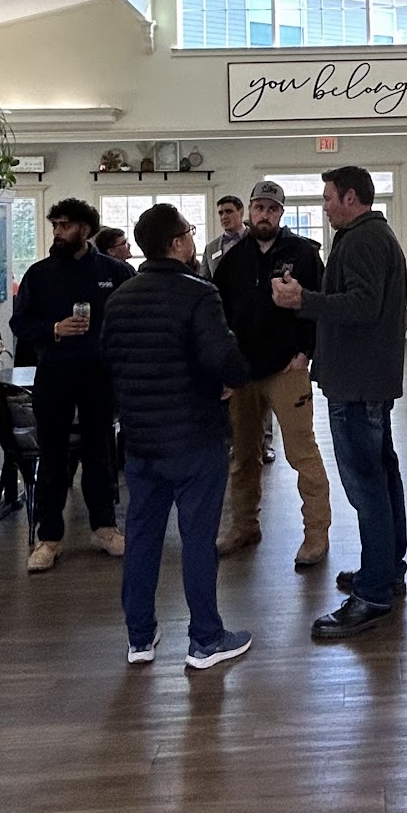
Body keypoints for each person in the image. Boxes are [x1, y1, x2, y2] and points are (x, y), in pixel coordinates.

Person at [102, 203, 253, 669]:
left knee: (143, 537)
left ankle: (139, 638)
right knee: (197, 538)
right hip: (194, 438)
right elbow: (223, 358)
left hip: (141, 440)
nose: (192, 238)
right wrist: (231, 378)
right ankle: (205, 638)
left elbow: (109, 362)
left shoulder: (120, 298)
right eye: (188, 231)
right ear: (177, 243)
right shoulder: (198, 294)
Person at [271, 165, 407, 640]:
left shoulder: (364, 239)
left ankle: (373, 595)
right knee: (381, 478)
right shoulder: (367, 236)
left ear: (351, 198)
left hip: (358, 383)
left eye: (328, 198)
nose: (324, 206)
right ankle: (385, 570)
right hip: (364, 379)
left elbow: (363, 306)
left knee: (367, 486)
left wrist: (302, 301)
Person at [211, 180, 332, 566]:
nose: (264, 214)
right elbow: (219, 314)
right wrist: (225, 364)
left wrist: (306, 351)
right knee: (244, 456)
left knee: (302, 453)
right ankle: (244, 525)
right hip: (243, 372)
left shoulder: (304, 254)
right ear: (249, 211)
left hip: (287, 369)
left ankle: (316, 533)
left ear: (281, 213)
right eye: (259, 207)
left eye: (272, 208)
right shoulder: (231, 260)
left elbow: (320, 305)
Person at [10, 197, 133, 573]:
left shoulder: (116, 272)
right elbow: (20, 323)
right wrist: (53, 329)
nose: (58, 232)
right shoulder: (39, 274)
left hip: (100, 374)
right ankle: (48, 538)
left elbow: (133, 319)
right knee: (52, 455)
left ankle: (105, 528)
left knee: (100, 452)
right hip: (55, 373)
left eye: (65, 226)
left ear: (86, 229)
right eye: (55, 226)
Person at [201, 195, 246, 277]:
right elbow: (204, 279)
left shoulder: (257, 239)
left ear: (241, 212)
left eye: (229, 212)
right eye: (220, 213)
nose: (224, 217)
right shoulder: (211, 248)